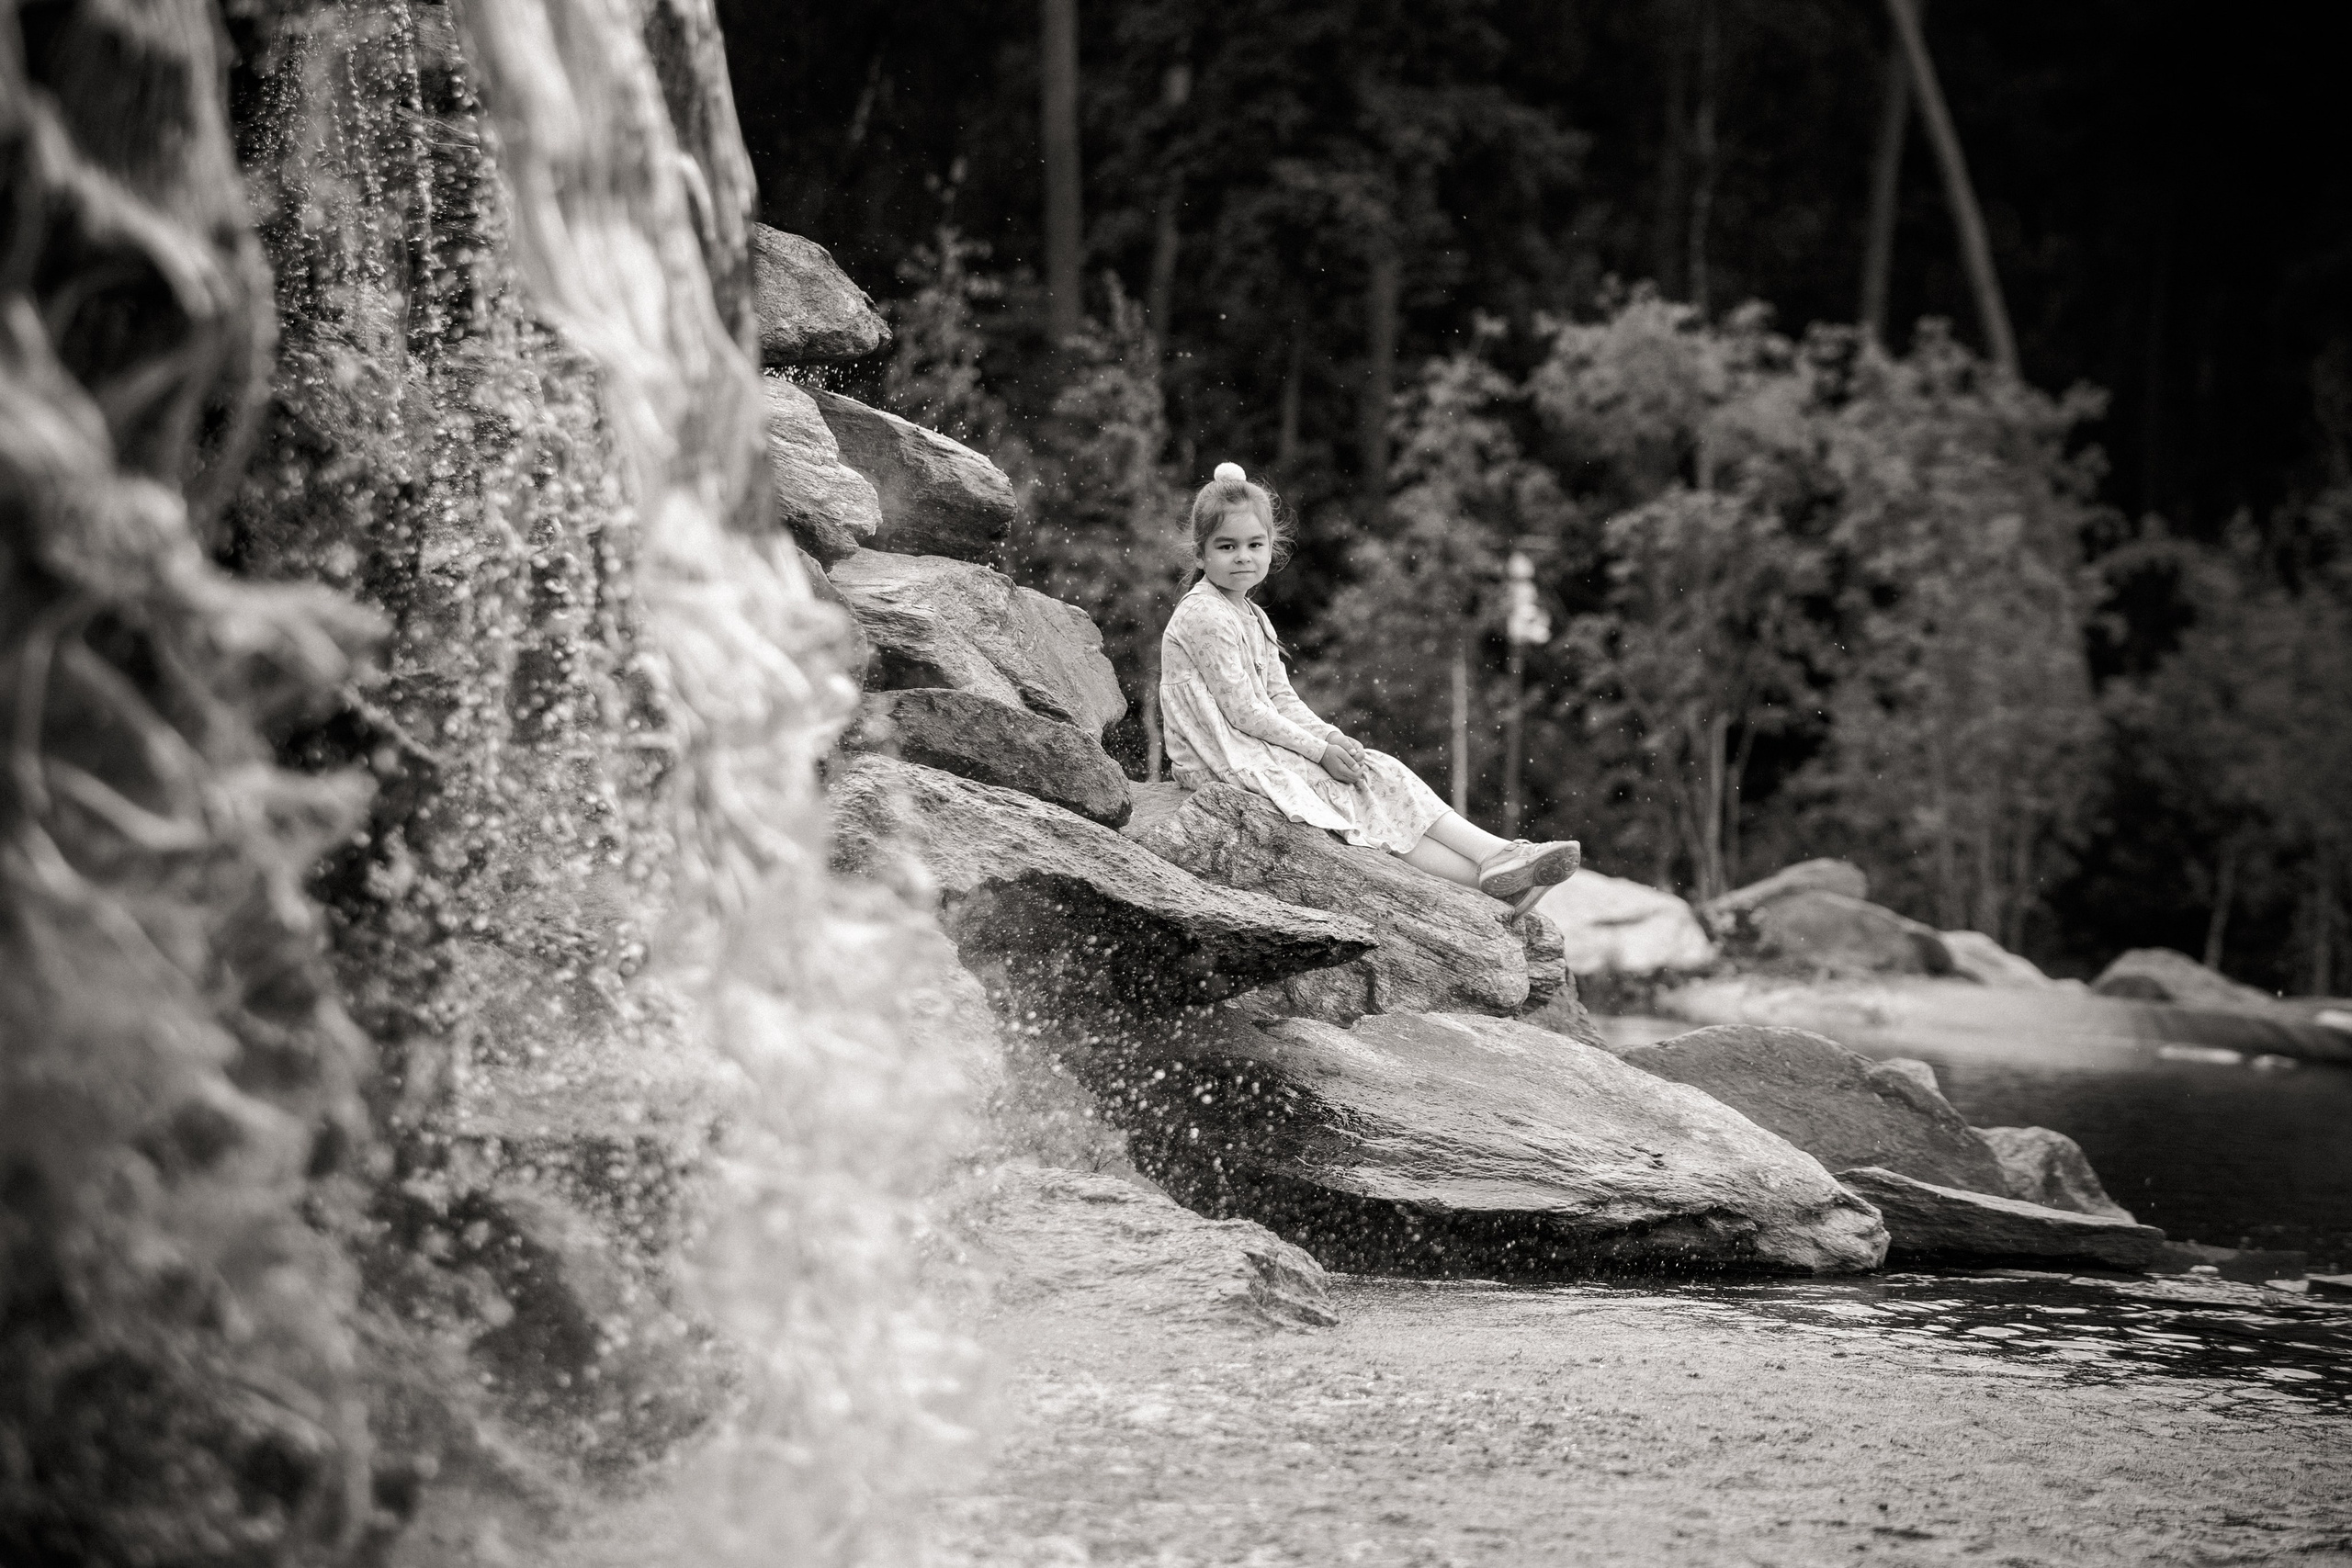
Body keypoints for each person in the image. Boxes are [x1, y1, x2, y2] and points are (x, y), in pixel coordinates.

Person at [1158, 462, 1579, 919]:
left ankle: (1497, 863)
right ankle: (1494, 866)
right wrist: (1318, 753)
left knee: (1376, 771)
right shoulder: (1204, 614)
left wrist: (1332, 737)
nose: (1243, 557)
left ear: (1271, 548)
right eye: (1227, 546)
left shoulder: (1252, 615)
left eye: (1254, 545)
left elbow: (1279, 698)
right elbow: (1243, 712)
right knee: (1350, 793)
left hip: (1248, 746)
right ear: (1200, 555)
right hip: (1219, 756)